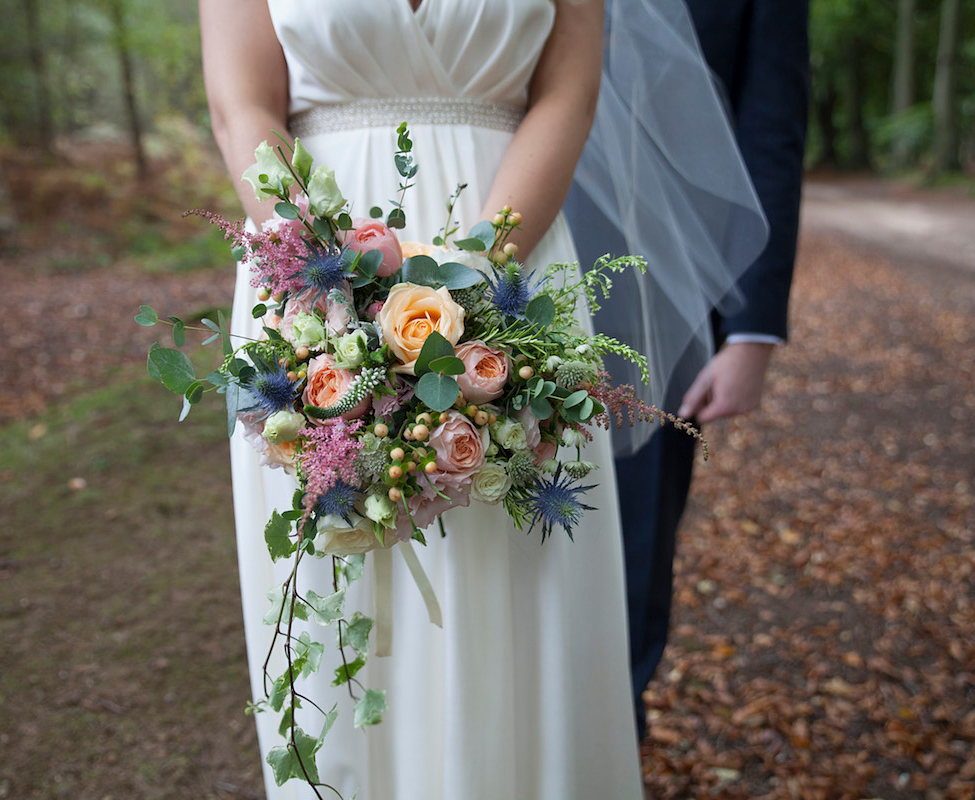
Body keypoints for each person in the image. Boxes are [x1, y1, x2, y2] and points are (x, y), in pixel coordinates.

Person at [201, 1, 646, 798]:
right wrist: (334, 284)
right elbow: (244, 105)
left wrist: (467, 284)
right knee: (340, 572)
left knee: (523, 578)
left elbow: (566, 95)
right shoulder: (317, 278)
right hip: (310, 276)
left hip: (515, 255)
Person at [564, 0, 810, 738]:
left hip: (662, 290)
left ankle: (612, 750)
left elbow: (770, 122)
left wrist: (752, 333)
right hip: (494, 268)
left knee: (634, 538)